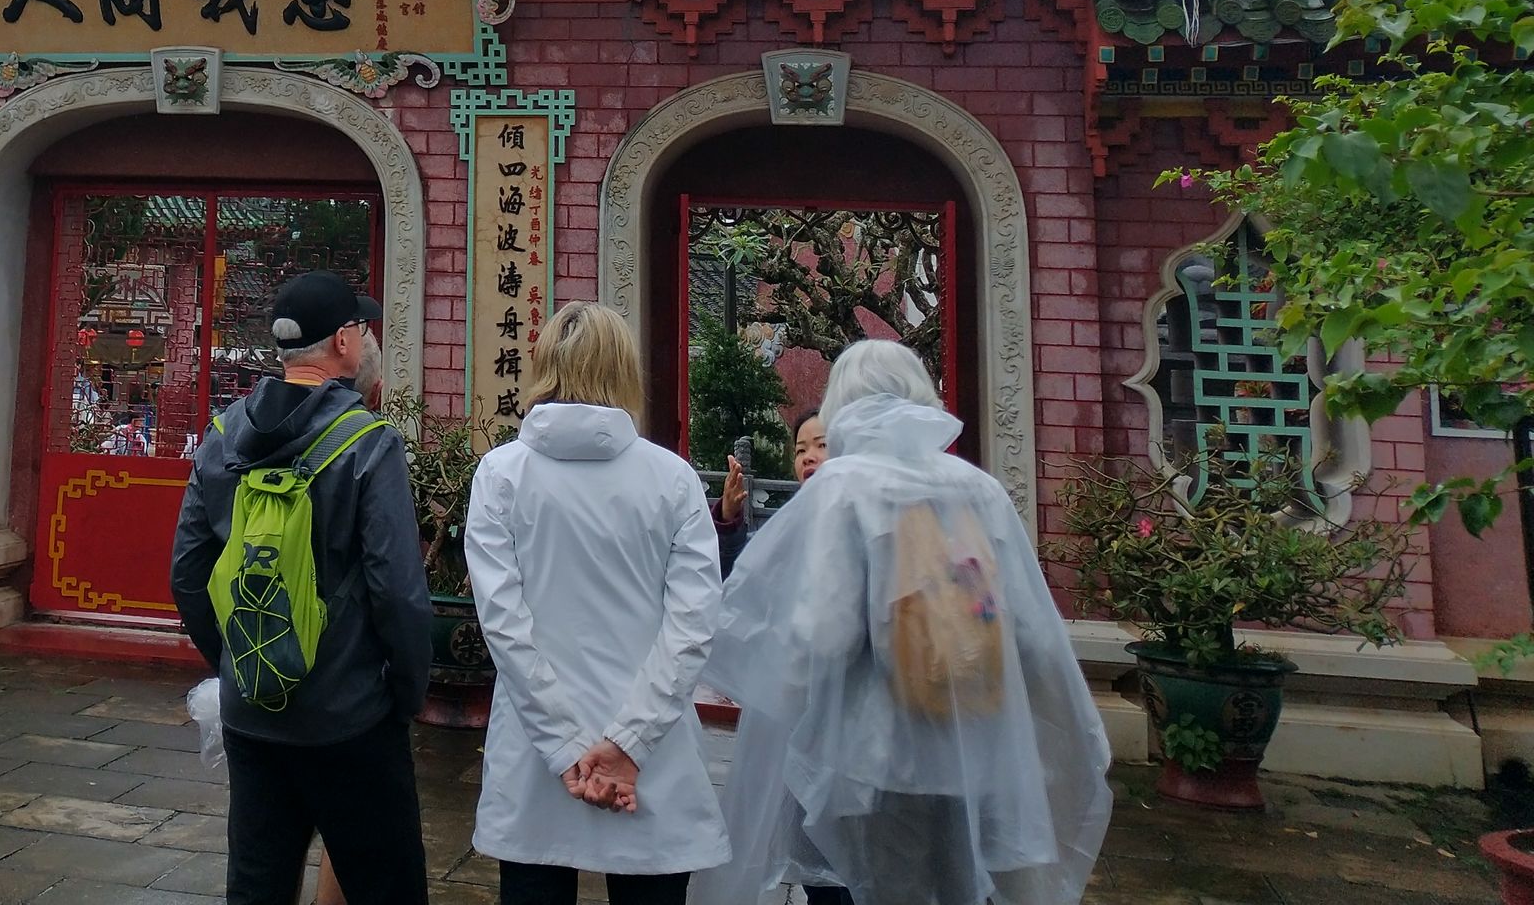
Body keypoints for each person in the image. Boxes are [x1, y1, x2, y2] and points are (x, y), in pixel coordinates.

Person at [697, 342, 1111, 905]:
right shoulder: (978, 489)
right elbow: (1033, 635)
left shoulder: (844, 488)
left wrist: (770, 684)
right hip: (973, 748)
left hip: (874, 757)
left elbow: (826, 635)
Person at [171, 271, 432, 905]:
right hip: (350, 716)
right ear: (344, 341)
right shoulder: (369, 443)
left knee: (257, 883)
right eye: (360, 328)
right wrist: (403, 694)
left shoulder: (223, 436)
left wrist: (237, 663)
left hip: (251, 714)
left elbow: (188, 573)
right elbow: (398, 592)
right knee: (386, 885)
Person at [464, 302, 729, 905]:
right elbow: (692, 626)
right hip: (652, 754)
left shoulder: (501, 475)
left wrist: (564, 747)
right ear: (625, 369)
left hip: (535, 753)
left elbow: (504, 626)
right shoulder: (672, 479)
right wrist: (629, 744)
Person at [713, 408, 828, 574]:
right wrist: (728, 516)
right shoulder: (786, 528)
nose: (807, 458)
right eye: (801, 450)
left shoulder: (860, 517)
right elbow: (738, 572)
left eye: (822, 445)